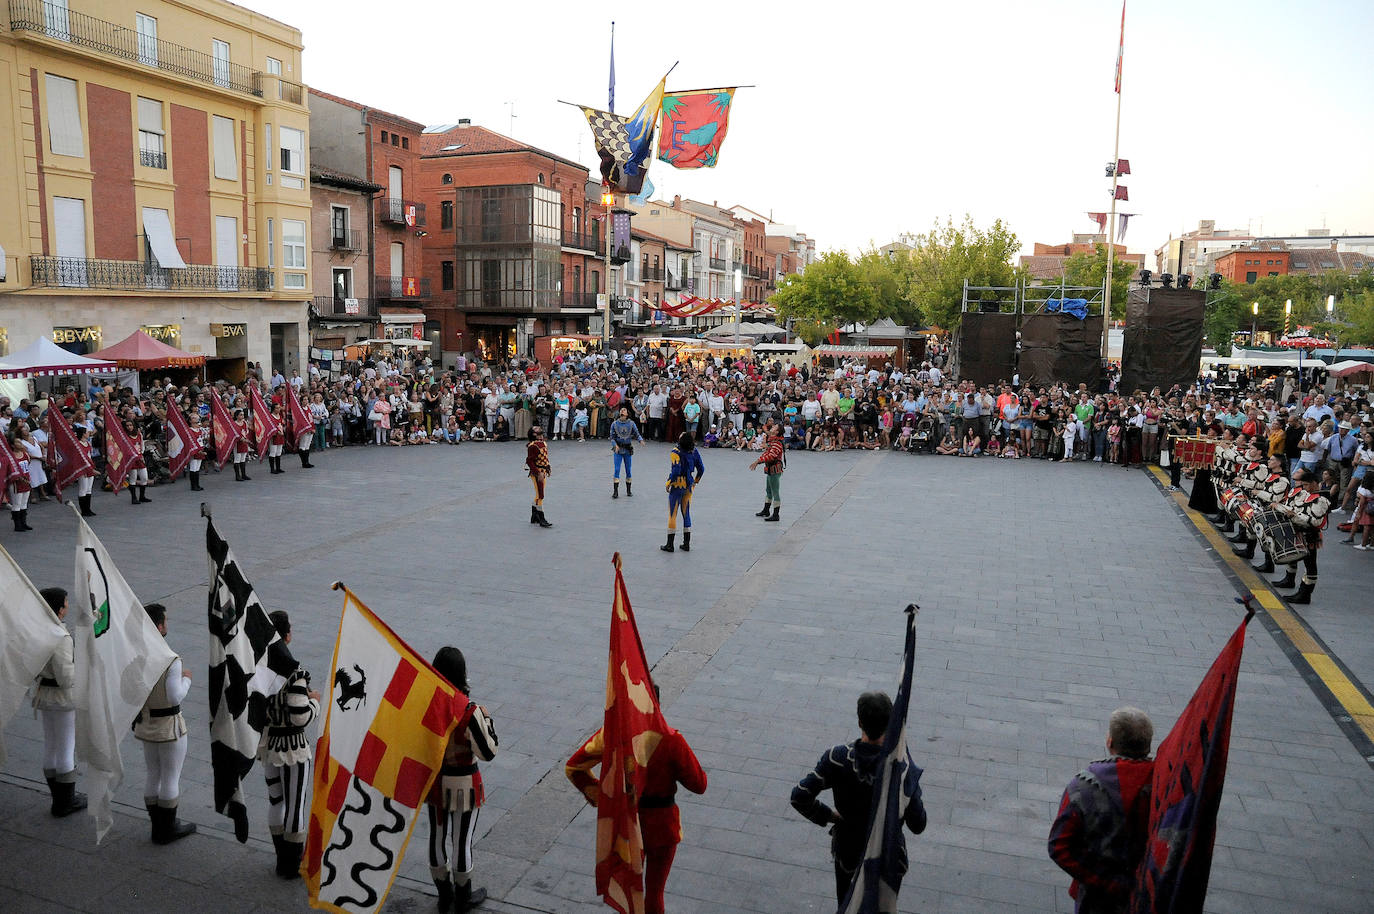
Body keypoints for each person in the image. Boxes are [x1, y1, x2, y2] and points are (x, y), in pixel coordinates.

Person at [565, 686, 708, 914]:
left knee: (629, 891)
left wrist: (605, 800)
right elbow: (699, 785)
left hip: (627, 825)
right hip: (662, 826)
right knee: (654, 892)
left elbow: (574, 768)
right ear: (656, 704)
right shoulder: (672, 740)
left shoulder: (611, 736)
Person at [790, 691, 927, 905]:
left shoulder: (837, 758)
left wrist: (831, 816)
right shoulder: (901, 770)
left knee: (847, 904)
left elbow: (800, 796)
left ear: (859, 722)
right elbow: (918, 824)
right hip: (887, 856)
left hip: (848, 852)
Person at [1048, 707, 1154, 914]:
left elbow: (1059, 845)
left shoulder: (1083, 786)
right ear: (1148, 745)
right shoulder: (1166, 783)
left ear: (1110, 743)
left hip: (1097, 898)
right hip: (1151, 892)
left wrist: (1103, 881)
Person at [428, 646, 499, 913]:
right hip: (464, 785)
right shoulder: (469, 710)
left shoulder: (427, 705)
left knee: (436, 838)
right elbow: (488, 751)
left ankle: (443, 894)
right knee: (461, 841)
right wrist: (488, 719)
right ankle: (463, 897)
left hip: (435, 783)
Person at [259, 611, 320, 878]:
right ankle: (291, 864)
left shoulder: (257, 669)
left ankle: (280, 858)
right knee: (295, 804)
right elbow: (300, 716)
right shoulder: (294, 673)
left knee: (276, 800)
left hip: (269, 744)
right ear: (286, 635)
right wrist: (315, 702)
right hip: (293, 746)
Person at [133, 602, 196, 844]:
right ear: (159, 626)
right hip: (169, 724)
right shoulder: (171, 660)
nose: (167, 624)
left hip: (147, 721)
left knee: (153, 773)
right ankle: (167, 828)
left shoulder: (137, 655)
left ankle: (156, 825)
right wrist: (187, 680)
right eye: (165, 621)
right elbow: (175, 695)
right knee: (170, 777)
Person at [32, 587, 87, 817]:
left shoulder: (37, 631)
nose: (67, 607)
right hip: (62, 699)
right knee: (65, 747)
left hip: (43, 694)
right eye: (65, 604)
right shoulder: (60, 637)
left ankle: (58, 798)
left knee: (51, 744)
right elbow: (66, 678)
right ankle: (66, 801)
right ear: (59, 609)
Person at [1271, 466, 1330, 604]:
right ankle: (1290, 581)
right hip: (1298, 530)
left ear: (1315, 483)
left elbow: (1315, 521)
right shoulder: (1306, 495)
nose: (1305, 488)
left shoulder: (1321, 500)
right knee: (1294, 556)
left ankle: (1305, 594)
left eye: (1307, 485)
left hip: (1310, 534)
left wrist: (1295, 515)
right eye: (1303, 485)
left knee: (1310, 564)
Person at [663, 431, 705, 553]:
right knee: (686, 512)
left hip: (678, 484)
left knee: (673, 514)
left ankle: (670, 545)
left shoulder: (675, 452)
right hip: (689, 484)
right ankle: (686, 544)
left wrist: (668, 482)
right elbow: (701, 468)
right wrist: (696, 480)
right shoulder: (694, 451)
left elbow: (676, 470)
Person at [750, 421, 786, 522]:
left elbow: (771, 456)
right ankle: (766, 510)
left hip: (775, 470)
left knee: (775, 492)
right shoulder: (772, 441)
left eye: (775, 427)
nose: (772, 427)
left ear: (777, 431)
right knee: (769, 490)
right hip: (770, 469)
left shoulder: (777, 443)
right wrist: (758, 460)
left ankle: (776, 514)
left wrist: (758, 461)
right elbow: (766, 453)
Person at [609, 406, 643, 499]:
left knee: (628, 470)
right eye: (621, 410)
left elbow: (637, 433)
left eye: (624, 410)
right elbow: (612, 437)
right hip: (618, 449)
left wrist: (640, 440)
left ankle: (629, 490)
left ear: (627, 413)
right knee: (617, 469)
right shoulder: (614, 424)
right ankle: (615, 491)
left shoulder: (631, 423)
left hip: (627, 449)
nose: (622, 411)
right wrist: (615, 445)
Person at [7, 424, 35, 531]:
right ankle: (17, 525)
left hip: (26, 481)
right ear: (13, 445)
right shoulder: (11, 457)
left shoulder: (25, 454)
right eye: (17, 442)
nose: (20, 444)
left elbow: (28, 464)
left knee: (24, 503)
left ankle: (24, 523)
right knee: (17, 503)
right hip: (16, 483)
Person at [525, 426, 553, 528]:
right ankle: (542, 518)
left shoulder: (542, 443)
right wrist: (537, 472)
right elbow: (529, 461)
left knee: (538, 494)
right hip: (538, 473)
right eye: (535, 428)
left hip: (543, 471)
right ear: (534, 434)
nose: (538, 427)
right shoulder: (533, 446)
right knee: (540, 495)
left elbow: (544, 457)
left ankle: (535, 516)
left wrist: (548, 467)